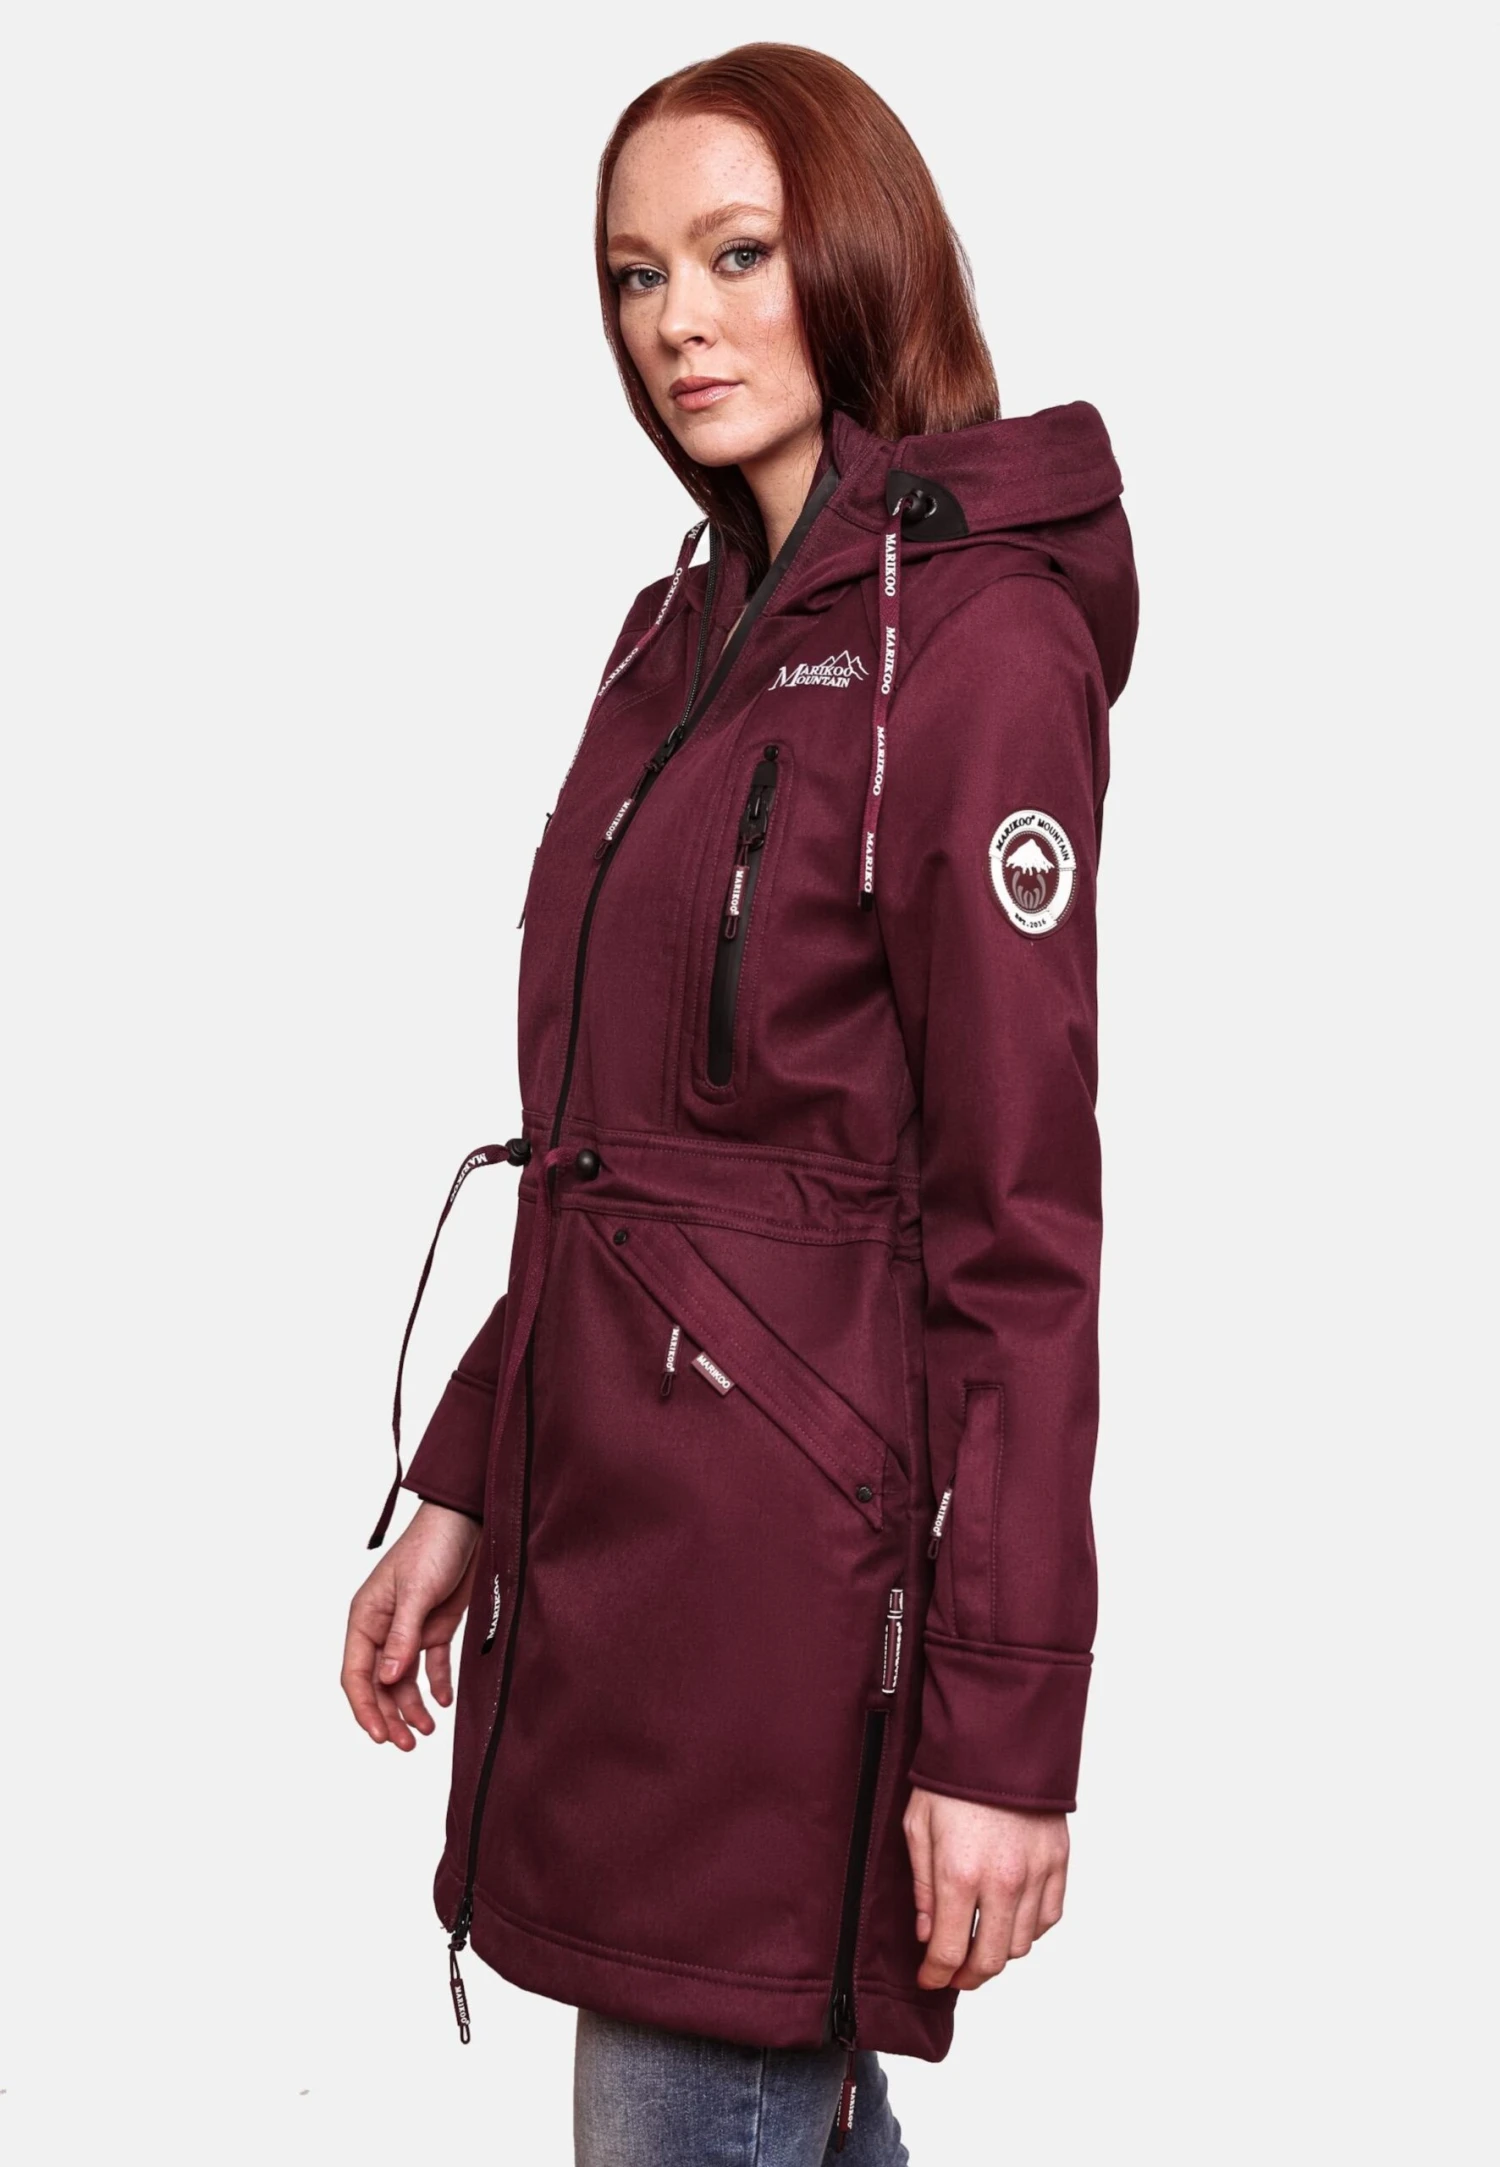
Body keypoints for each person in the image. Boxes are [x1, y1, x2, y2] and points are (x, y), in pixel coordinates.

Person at [341, 41, 1137, 2167]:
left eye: (737, 254)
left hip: (792, 1617)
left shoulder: (980, 652)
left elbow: (1021, 1229)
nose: (677, 320)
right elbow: (614, 1157)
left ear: (856, 256)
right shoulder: (671, 632)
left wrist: (1006, 1724)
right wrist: (468, 1481)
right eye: (635, 273)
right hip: (621, 1564)